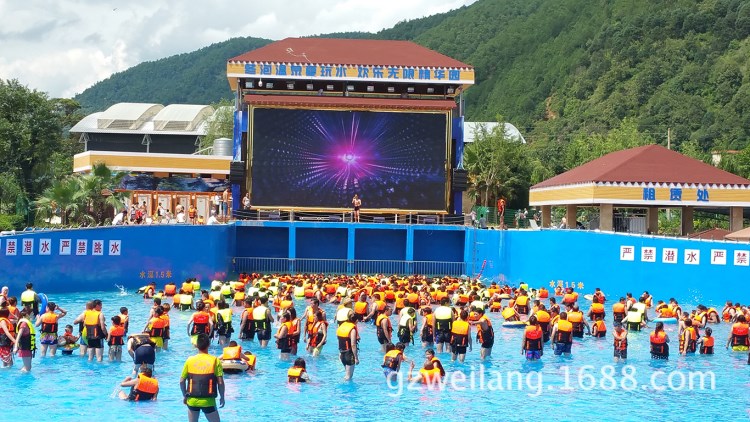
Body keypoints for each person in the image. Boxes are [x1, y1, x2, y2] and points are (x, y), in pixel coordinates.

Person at [180, 333, 225, 422]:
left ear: (196, 345)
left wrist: (185, 395)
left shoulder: (189, 360)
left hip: (192, 400)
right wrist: (222, 397)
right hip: (208, 401)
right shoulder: (215, 361)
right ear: (209, 344)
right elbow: (220, 382)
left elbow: (182, 381)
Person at [336, 313, 359, 381]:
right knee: (348, 377)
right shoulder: (352, 330)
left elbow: (339, 340)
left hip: (342, 353)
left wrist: (340, 353)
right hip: (349, 354)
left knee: (347, 374)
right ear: (356, 320)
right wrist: (356, 358)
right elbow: (353, 345)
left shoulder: (341, 326)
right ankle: (344, 391)